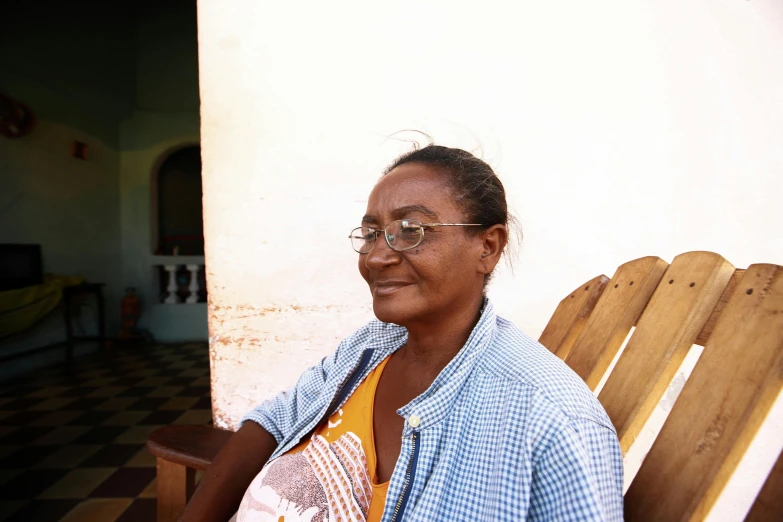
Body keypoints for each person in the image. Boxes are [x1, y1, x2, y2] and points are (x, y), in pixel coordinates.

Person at [182, 145, 624, 522]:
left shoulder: (548, 420)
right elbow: (274, 422)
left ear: (487, 247)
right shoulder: (368, 349)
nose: (376, 257)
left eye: (410, 231)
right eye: (372, 233)